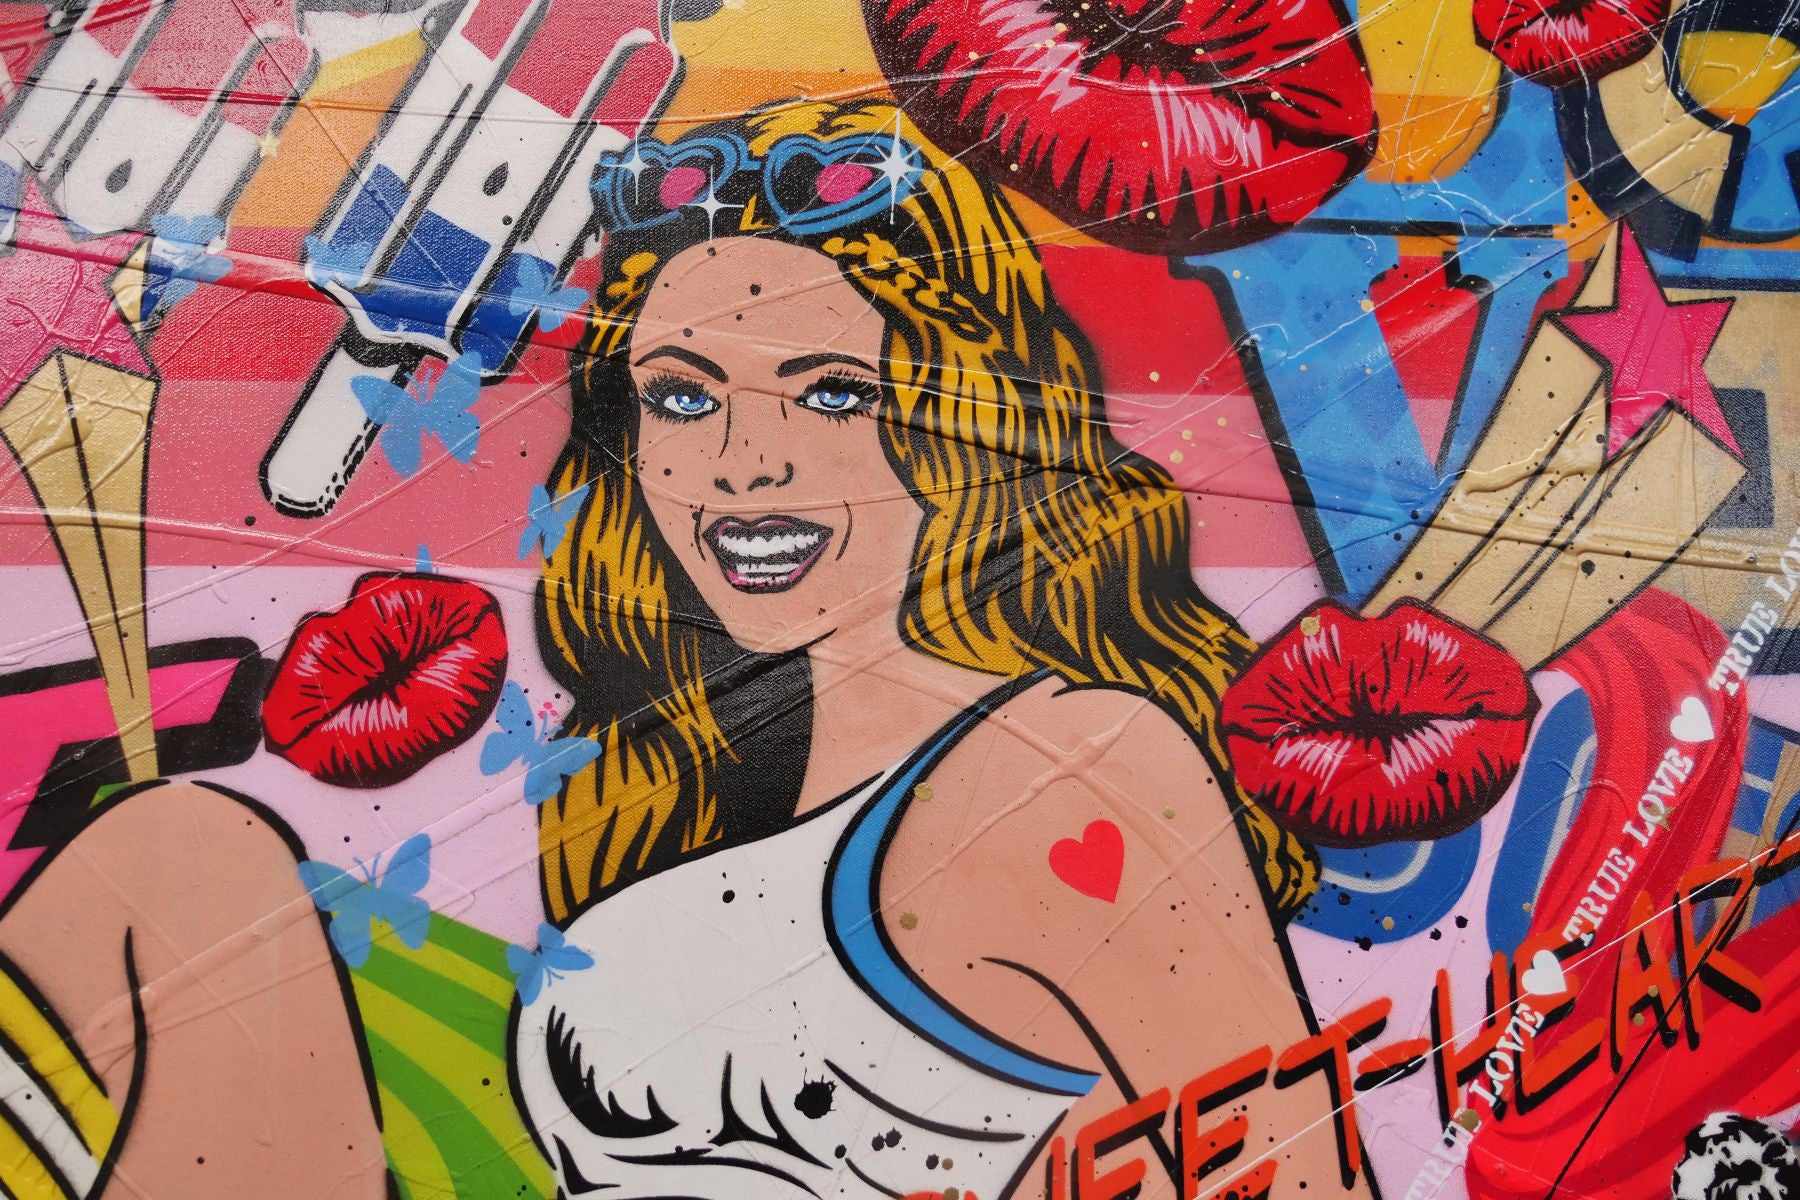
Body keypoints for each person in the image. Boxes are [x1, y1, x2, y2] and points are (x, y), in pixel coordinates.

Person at [512, 98, 1365, 1200]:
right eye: (681, 395)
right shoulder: (667, 781)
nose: (744, 462)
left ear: (961, 416)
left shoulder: (1072, 767)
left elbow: (1294, 1179)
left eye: (831, 392)